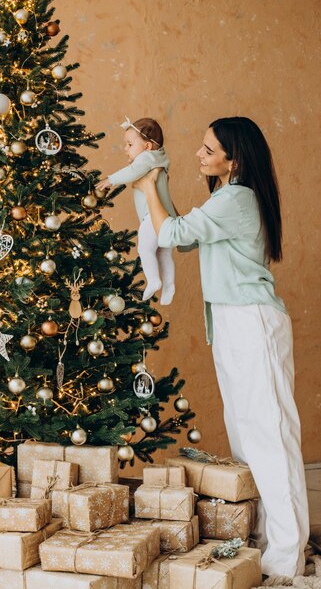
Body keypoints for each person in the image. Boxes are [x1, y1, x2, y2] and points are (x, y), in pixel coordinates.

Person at [133, 116, 309, 581]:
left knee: (269, 437)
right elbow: (184, 235)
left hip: (252, 320)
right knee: (246, 438)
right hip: (232, 321)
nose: (199, 154)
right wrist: (161, 183)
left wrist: (147, 183)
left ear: (234, 159)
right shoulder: (224, 198)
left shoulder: (238, 198)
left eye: (209, 150)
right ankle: (265, 544)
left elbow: (171, 235)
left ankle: (285, 556)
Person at [96, 117, 177, 305]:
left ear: (147, 146)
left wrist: (111, 179)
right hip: (167, 216)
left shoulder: (147, 158)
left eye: (130, 144)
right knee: (163, 253)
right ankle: (169, 286)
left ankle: (154, 280)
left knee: (145, 248)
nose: (126, 149)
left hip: (154, 216)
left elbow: (132, 171)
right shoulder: (159, 158)